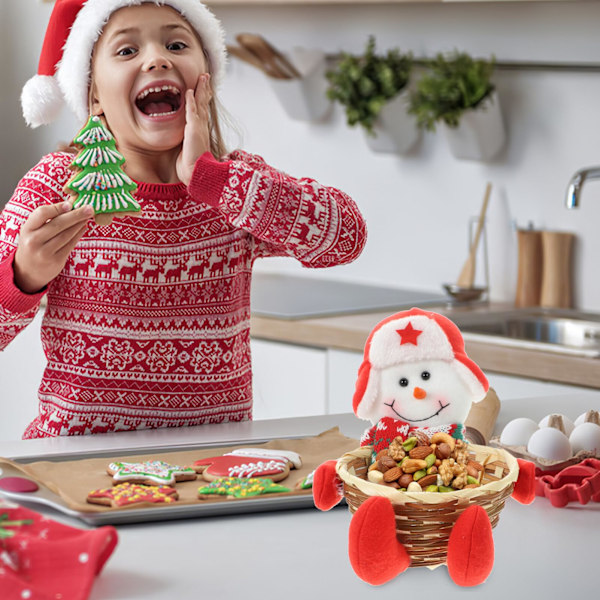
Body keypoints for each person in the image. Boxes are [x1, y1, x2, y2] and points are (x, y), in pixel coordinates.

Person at [0, 0, 367, 439]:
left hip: (209, 466)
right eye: (126, 51)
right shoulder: (57, 183)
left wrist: (214, 180)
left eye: (176, 43)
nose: (157, 58)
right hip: (75, 462)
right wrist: (22, 276)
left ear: (205, 78)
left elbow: (346, 237)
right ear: (93, 93)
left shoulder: (236, 184)